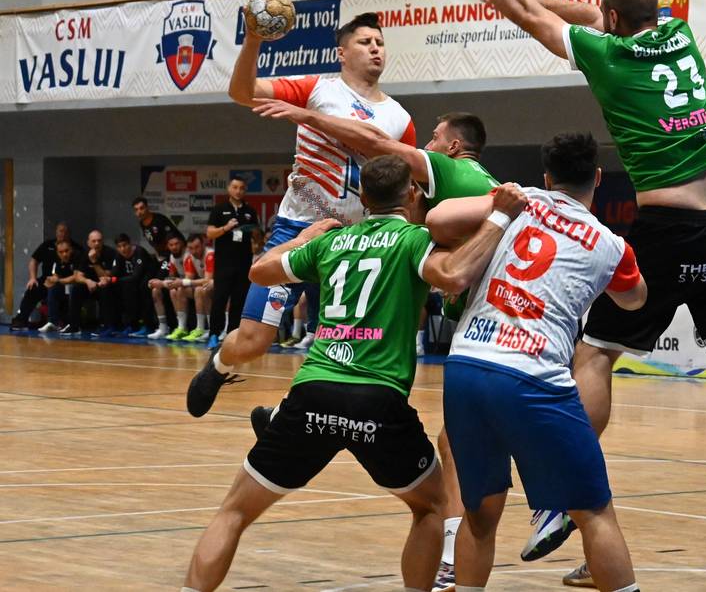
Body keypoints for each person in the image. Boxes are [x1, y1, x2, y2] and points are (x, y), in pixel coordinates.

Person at [431, 0, 706, 572]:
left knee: (596, 353)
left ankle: (558, 500)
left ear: (613, 20)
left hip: (668, 227)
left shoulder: (607, 56)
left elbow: (531, 17)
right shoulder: (679, 33)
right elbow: (588, 12)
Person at [180, 156, 528, 592]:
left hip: (313, 392)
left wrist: (300, 238)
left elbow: (260, 271)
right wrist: (499, 216)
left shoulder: (333, 241)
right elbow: (455, 275)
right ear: (412, 195)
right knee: (433, 507)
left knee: (233, 512)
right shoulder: (414, 239)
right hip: (377, 401)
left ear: (362, 197)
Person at [245, 102, 499, 591]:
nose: (424, 144)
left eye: (433, 137)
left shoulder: (452, 172)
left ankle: (458, 554)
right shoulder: (473, 190)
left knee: (460, 456)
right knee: (453, 444)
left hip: (480, 327)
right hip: (483, 317)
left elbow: (379, 145)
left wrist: (306, 116)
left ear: (453, 147)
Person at [427, 133, 647, 592]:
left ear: (547, 177)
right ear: (598, 178)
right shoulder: (611, 245)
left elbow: (437, 218)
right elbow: (635, 300)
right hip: (533, 374)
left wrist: (500, 208)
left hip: (467, 365)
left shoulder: (518, 201)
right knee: (594, 511)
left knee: (480, 513)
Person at [186, 10, 416, 417]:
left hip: (352, 243)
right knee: (254, 341)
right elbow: (243, 92)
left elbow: (406, 177)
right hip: (297, 230)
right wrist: (254, 39)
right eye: (365, 42)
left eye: (380, 43)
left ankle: (283, 417)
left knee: (343, 351)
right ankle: (218, 366)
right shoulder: (317, 89)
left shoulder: (400, 118)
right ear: (341, 53)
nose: (376, 49)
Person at [205, 177, 258, 349]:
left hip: (243, 264)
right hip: (223, 264)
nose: (238, 191)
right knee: (219, 300)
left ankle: (232, 336)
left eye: (242, 188)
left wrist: (255, 234)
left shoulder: (250, 211)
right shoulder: (219, 209)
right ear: (229, 188)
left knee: (238, 301)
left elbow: (256, 235)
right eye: (235, 187)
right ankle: (213, 334)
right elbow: (210, 233)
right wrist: (225, 228)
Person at [9, 222, 82, 330]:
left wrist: (58, 280)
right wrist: (33, 278)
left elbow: (77, 275)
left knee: (60, 289)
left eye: (65, 231)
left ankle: (61, 322)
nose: (63, 234)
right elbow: (34, 261)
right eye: (60, 231)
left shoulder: (77, 250)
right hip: (48, 279)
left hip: (67, 282)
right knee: (33, 288)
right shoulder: (47, 245)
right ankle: (21, 319)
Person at [110, 233, 158, 336]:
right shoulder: (119, 255)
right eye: (119, 247)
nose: (123, 249)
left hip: (147, 279)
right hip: (131, 283)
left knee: (142, 288)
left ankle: (148, 326)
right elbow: (114, 274)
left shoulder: (139, 252)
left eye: (124, 245)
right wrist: (110, 280)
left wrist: (116, 280)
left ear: (130, 244)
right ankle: (127, 325)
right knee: (116, 289)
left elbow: (137, 276)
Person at [37, 240, 86, 336]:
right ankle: (53, 322)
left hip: (82, 286)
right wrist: (51, 280)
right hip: (65, 286)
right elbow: (55, 276)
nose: (64, 254)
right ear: (57, 252)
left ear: (71, 249)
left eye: (66, 251)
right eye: (61, 252)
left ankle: (73, 324)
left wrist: (58, 280)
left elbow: (76, 277)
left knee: (74, 288)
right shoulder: (57, 260)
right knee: (52, 287)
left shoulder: (78, 257)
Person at [146, 233, 188, 339]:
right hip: (181, 284)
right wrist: (158, 282)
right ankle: (163, 327)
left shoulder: (188, 255)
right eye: (171, 245)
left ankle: (182, 327)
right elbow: (171, 277)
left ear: (182, 243)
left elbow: (189, 278)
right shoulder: (171, 257)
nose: (174, 247)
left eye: (176, 244)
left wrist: (163, 283)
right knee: (156, 290)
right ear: (167, 246)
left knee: (176, 290)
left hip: (191, 284)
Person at [78, 229, 118, 336]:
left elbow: (106, 276)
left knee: (105, 289)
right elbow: (78, 276)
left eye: (99, 241)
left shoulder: (110, 253)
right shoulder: (84, 253)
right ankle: (74, 324)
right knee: (77, 288)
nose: (97, 243)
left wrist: (94, 262)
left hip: (107, 285)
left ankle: (106, 325)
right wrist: (87, 281)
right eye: (94, 241)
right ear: (88, 243)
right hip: (91, 285)